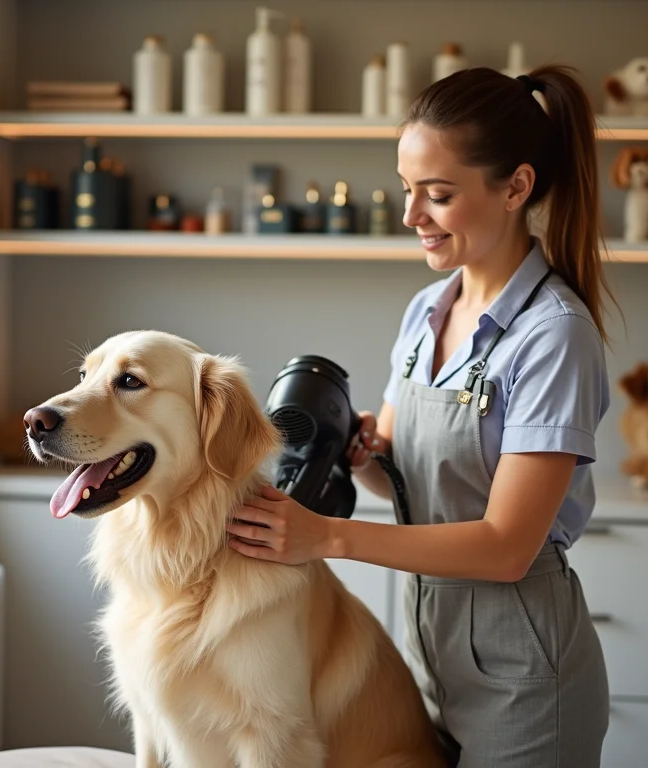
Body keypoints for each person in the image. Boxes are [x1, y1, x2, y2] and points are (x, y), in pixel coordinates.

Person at [226, 64, 617, 768]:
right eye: (408, 190)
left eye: (437, 195)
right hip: (429, 657)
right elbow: (407, 485)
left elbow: (506, 546)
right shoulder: (426, 313)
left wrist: (326, 537)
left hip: (525, 680)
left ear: (516, 188)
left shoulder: (554, 335)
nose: (411, 216)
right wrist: (368, 454)